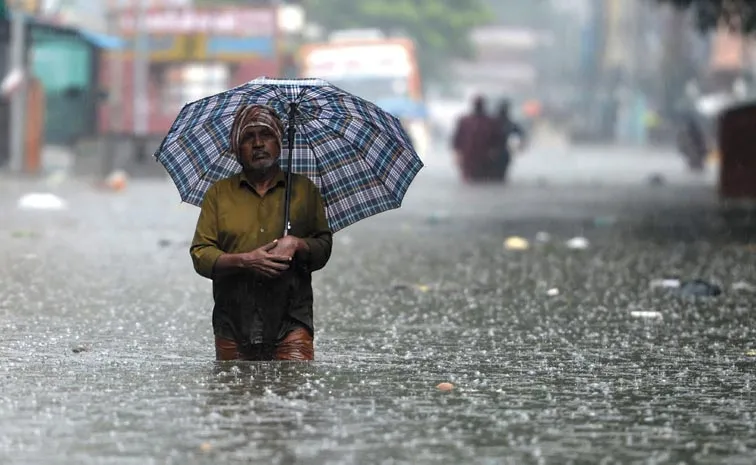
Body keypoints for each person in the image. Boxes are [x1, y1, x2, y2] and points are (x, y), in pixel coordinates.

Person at [190, 104, 333, 361]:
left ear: (279, 143)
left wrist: (297, 244)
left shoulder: (304, 191)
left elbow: (323, 247)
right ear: (237, 148)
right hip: (233, 322)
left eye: (266, 135)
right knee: (233, 394)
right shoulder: (219, 194)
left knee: (294, 392)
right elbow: (201, 254)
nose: (258, 144)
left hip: (291, 321)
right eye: (248, 137)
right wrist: (245, 261)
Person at [493, 100, 527, 182]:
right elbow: (521, 134)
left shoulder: (495, 122)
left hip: (499, 153)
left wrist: (520, 146)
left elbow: (521, 134)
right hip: (500, 153)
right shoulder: (500, 123)